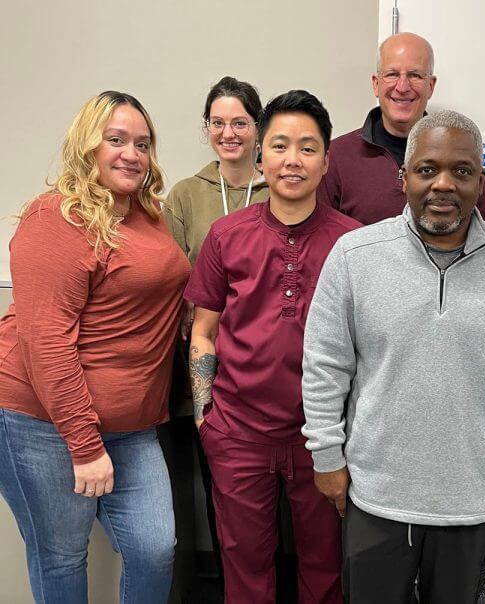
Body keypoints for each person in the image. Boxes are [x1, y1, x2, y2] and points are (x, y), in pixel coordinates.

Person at [302, 110, 485, 604]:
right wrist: (327, 455)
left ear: (480, 181)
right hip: (375, 492)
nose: (443, 184)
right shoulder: (354, 256)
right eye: (427, 169)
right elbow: (324, 365)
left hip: (473, 496)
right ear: (403, 178)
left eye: (462, 171)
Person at [0, 91, 190, 603]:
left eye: (143, 144)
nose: (132, 153)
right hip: (45, 425)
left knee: (155, 549)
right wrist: (84, 446)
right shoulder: (55, 220)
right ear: (88, 146)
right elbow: (45, 344)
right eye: (116, 139)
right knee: (62, 556)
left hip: (132, 428)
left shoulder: (144, 214)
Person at [184, 90, 361, 603]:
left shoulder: (352, 243)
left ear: (327, 161)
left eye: (308, 147)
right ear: (261, 155)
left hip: (324, 435)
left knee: (326, 565)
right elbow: (203, 330)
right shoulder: (226, 235)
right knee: (245, 565)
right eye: (280, 145)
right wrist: (205, 417)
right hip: (238, 433)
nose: (293, 159)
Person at [160, 75, 267, 601]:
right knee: (217, 491)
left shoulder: (284, 187)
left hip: (271, 370)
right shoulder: (185, 194)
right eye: (218, 123)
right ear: (206, 129)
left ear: (258, 128)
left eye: (240, 123)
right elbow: (176, 288)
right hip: (205, 365)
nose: (229, 133)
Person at [317, 32, 485, 224]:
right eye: (392, 74)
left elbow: (481, 235)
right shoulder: (336, 157)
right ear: (376, 84)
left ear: (431, 86)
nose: (402, 86)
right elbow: (324, 237)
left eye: (415, 75)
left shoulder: (463, 153)